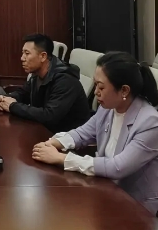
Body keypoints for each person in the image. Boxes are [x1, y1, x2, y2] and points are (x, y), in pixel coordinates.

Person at [32, 52, 158, 215]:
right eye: (95, 84)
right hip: (106, 189)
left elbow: (117, 167)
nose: (96, 92)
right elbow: (82, 133)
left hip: (137, 206)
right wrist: (53, 143)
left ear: (124, 90)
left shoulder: (150, 122)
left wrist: (62, 158)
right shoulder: (108, 108)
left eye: (101, 87)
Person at [0, 34, 90, 133]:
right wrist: (5, 99)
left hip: (68, 137)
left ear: (43, 56)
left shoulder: (65, 80)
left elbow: (49, 116)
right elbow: (23, 93)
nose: (22, 58)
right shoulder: (37, 74)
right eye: (23, 53)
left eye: (27, 53)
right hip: (45, 130)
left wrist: (13, 106)